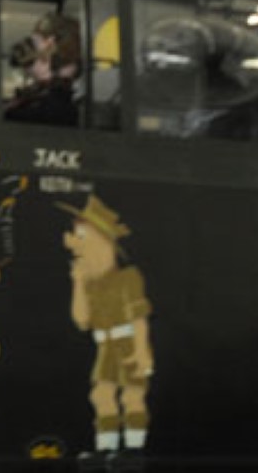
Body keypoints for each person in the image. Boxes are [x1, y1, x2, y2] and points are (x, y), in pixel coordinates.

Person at [58, 195, 154, 472]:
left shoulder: (128, 277)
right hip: (105, 346)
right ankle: (107, 448)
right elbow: (82, 320)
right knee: (101, 395)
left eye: (82, 237)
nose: (76, 244)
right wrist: (77, 283)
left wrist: (141, 349)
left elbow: (138, 316)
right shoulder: (90, 283)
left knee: (132, 395)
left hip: (126, 341)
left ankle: (133, 449)